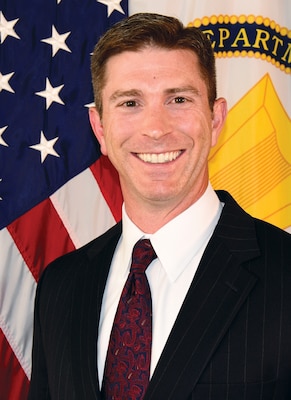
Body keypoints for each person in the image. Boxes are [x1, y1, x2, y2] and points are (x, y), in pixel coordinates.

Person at [28, 13, 291, 400]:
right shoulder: (60, 286)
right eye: (131, 102)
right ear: (100, 128)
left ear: (216, 119)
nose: (156, 128)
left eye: (179, 99)